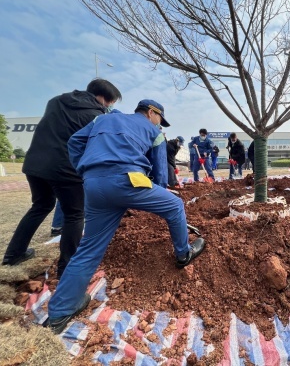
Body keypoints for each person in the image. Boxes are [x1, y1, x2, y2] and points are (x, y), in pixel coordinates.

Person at [43, 99, 206, 334]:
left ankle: (59, 313)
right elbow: (160, 170)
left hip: (94, 185)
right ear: (152, 113)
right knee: (175, 205)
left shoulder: (103, 119)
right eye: (160, 118)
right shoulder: (154, 132)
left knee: (89, 247)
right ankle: (183, 254)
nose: (160, 123)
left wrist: (86, 170)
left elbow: (75, 141)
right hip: (129, 180)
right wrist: (158, 194)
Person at [2, 79, 122, 277]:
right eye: (110, 101)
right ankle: (67, 268)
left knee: (40, 206)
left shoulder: (56, 101)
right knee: (75, 214)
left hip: (35, 164)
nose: (110, 106)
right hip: (65, 169)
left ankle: (13, 254)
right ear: (102, 97)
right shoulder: (95, 116)